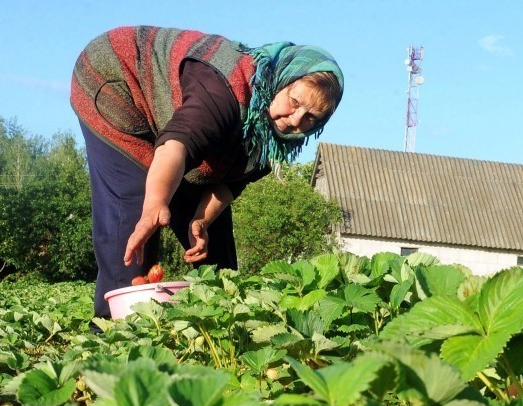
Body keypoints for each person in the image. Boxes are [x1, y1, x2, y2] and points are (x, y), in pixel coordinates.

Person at [70, 26, 344, 319]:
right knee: (136, 227)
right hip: (118, 80)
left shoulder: (274, 142)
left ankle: (223, 326)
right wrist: (154, 205)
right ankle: (111, 332)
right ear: (282, 80)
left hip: (173, 128)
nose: (295, 120)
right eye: (294, 102)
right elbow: (177, 146)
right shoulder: (224, 91)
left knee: (216, 257)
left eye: (310, 118)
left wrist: (200, 219)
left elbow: (230, 184)